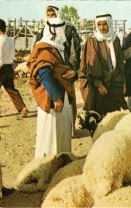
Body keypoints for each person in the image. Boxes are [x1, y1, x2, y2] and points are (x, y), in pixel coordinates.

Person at [27, 17, 77, 158]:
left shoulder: (59, 47)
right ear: (54, 30)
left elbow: (63, 68)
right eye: (60, 29)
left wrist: (73, 74)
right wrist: (56, 98)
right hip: (52, 98)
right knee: (50, 133)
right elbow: (45, 75)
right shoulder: (44, 48)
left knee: (61, 132)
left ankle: (62, 160)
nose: (63, 32)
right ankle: (48, 163)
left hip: (62, 96)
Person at [36, 5, 81, 135]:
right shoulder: (43, 30)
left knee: (68, 98)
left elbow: (74, 51)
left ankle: (69, 130)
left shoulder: (68, 29)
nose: (51, 17)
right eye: (49, 15)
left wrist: (71, 69)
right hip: (49, 71)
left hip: (66, 71)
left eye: (53, 15)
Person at [79, 13, 128, 116]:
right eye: (99, 25)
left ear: (109, 24)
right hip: (100, 85)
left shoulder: (115, 39)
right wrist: (98, 84)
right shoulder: (92, 40)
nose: (102, 27)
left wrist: (123, 82)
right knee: (102, 119)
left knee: (120, 115)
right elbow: (89, 66)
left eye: (104, 24)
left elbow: (120, 62)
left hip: (115, 83)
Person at [0, 19, 28, 118]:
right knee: (11, 89)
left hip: (0, 68)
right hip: (9, 67)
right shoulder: (10, 40)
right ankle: (22, 107)